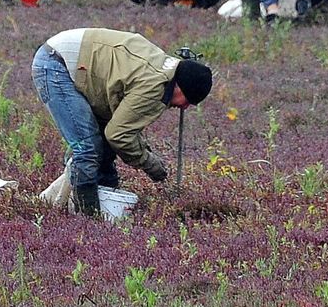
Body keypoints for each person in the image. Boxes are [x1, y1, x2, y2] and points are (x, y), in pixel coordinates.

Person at [32, 28, 213, 218]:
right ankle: (87, 219)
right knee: (87, 149)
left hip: (76, 63)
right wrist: (151, 165)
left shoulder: (165, 71)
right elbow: (119, 135)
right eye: (188, 101)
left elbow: (120, 129)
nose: (185, 107)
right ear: (180, 87)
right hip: (56, 65)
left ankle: (92, 203)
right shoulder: (154, 86)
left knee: (100, 145)